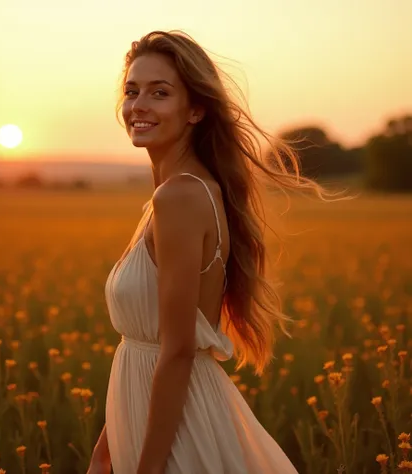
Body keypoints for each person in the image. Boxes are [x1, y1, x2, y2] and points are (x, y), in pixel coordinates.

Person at [86, 30, 347, 474]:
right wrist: (105, 454)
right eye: (132, 91)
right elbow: (147, 353)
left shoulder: (181, 197)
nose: (138, 105)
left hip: (177, 435)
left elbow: (177, 350)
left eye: (160, 92)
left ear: (196, 110)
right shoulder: (175, 195)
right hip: (152, 423)